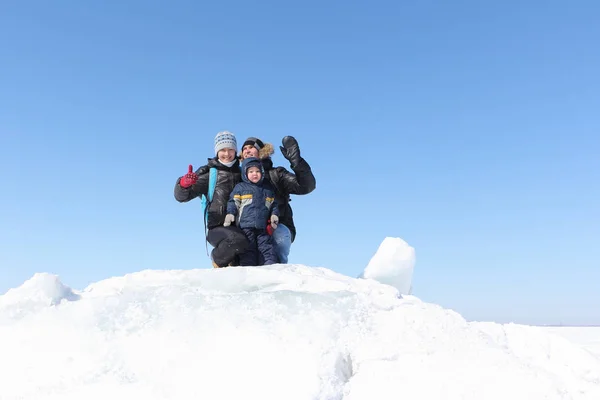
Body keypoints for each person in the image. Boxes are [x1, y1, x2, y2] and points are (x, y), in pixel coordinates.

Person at [173, 130, 249, 268]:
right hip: (217, 228)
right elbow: (181, 197)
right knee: (237, 240)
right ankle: (217, 258)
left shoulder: (243, 173)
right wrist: (183, 184)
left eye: (231, 149)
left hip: (240, 226)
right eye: (223, 150)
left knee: (243, 261)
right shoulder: (210, 174)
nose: (227, 154)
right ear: (217, 151)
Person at [239, 135, 316, 263]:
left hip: (276, 227)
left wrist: (296, 161)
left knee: (278, 236)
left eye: (251, 147)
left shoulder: (277, 174)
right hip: (249, 228)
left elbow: (307, 187)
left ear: (261, 151)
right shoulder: (239, 178)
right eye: (244, 148)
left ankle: (280, 271)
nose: (247, 150)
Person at [223, 157, 280, 266]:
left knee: (266, 248)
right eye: (251, 171)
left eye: (258, 171)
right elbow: (233, 202)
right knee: (248, 249)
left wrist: (274, 215)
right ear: (245, 173)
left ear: (262, 172)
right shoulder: (240, 187)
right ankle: (248, 270)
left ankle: (270, 268)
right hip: (245, 227)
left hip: (262, 227)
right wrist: (230, 213)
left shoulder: (267, 189)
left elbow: (274, 205)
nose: (255, 174)